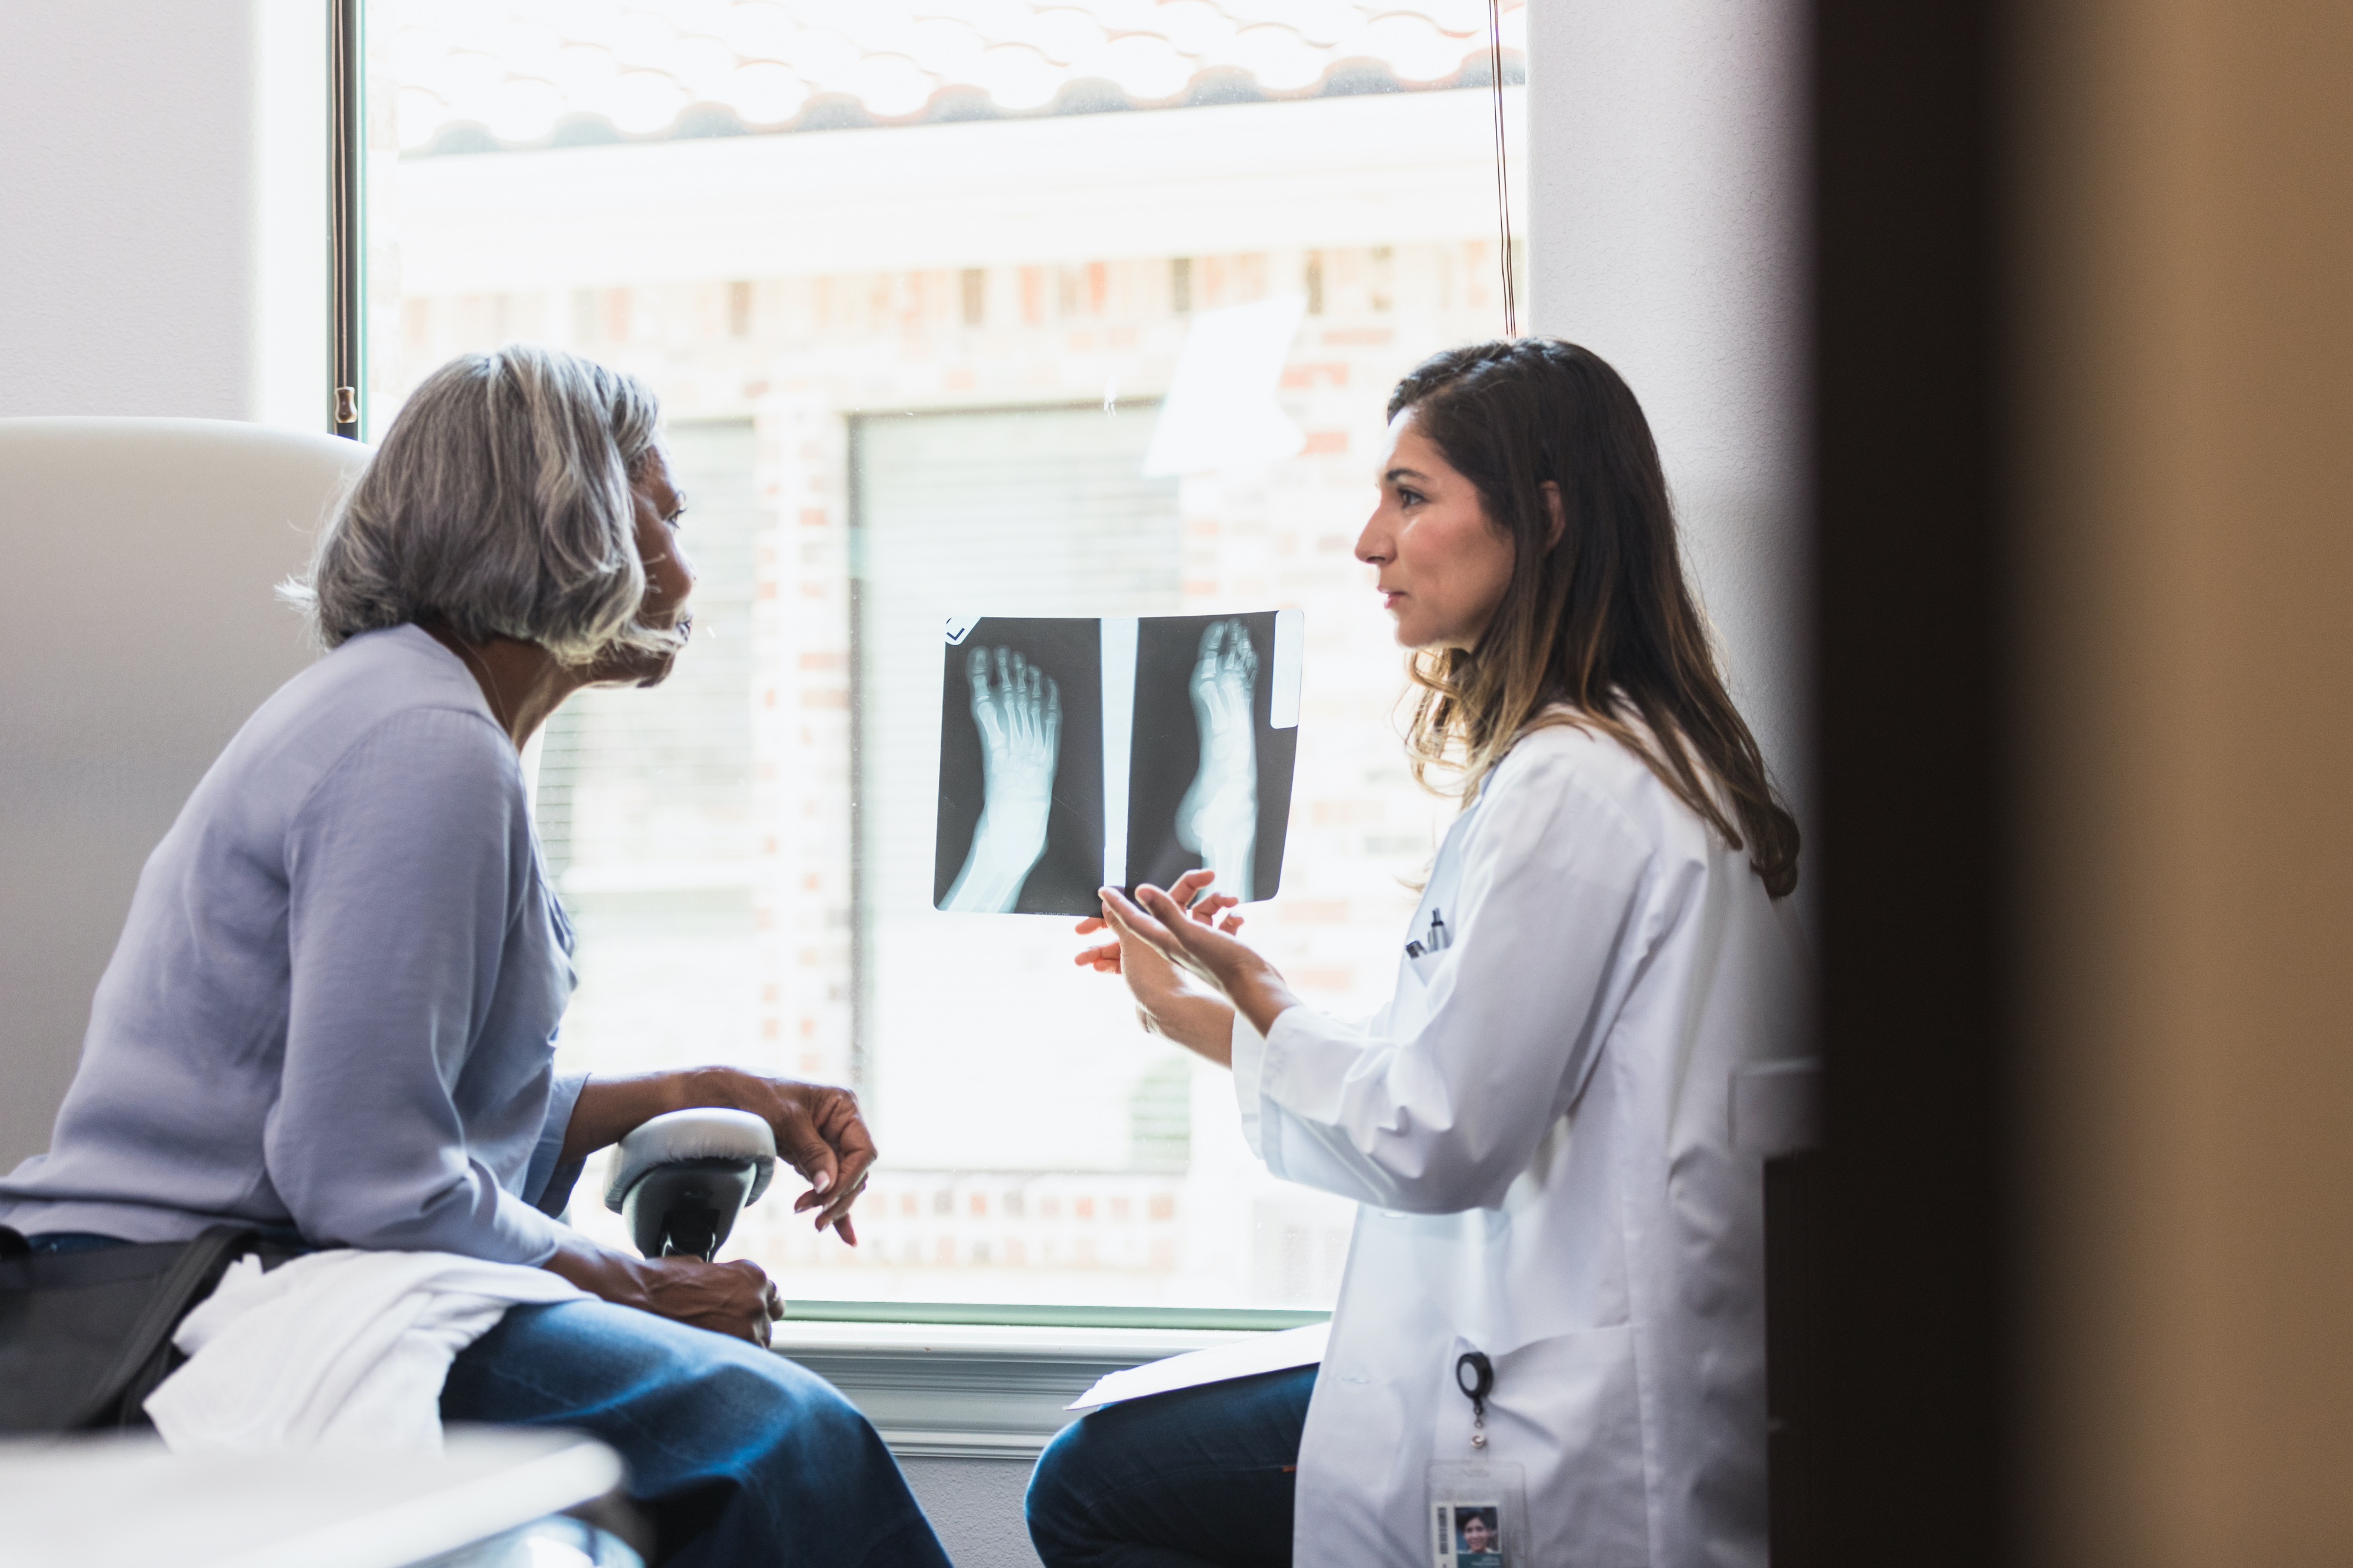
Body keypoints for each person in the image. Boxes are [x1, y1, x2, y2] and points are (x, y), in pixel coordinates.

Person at [0, 347, 950, 1568]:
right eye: (661, 508)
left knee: (769, 1438)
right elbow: (360, 1173)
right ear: (570, 522)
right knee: (770, 1437)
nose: (684, 559)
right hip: (196, 1300)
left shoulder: (413, 716)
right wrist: (640, 1287)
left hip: (266, 1266)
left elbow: (388, 1100)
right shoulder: (423, 744)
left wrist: (679, 1093)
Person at [1026, 339, 1811, 1567]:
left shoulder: (1575, 786)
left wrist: (1236, 1015)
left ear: (1539, 518)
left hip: (1562, 1415)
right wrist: (1234, 1007)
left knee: (1091, 1486)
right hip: (1553, 1355)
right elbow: (1467, 1077)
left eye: (1408, 495)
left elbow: (1437, 1130)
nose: (1366, 542)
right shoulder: (1627, 759)